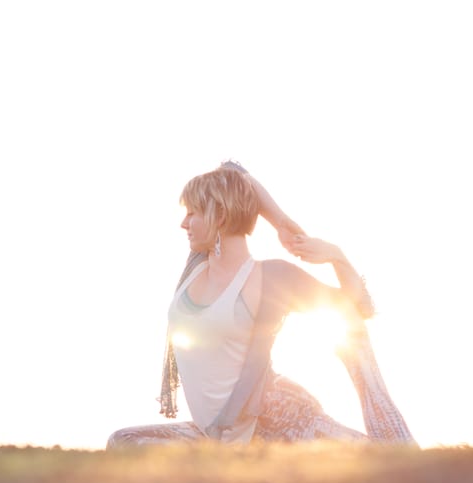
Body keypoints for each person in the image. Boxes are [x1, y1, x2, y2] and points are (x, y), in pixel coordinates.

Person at [107, 162, 414, 449]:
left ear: (219, 216)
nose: (183, 223)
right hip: (217, 431)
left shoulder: (271, 277)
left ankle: (393, 442)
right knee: (123, 441)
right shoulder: (196, 266)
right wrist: (280, 222)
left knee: (353, 333)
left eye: (192, 213)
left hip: (282, 420)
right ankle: (225, 461)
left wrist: (337, 256)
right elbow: (232, 168)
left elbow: (356, 307)